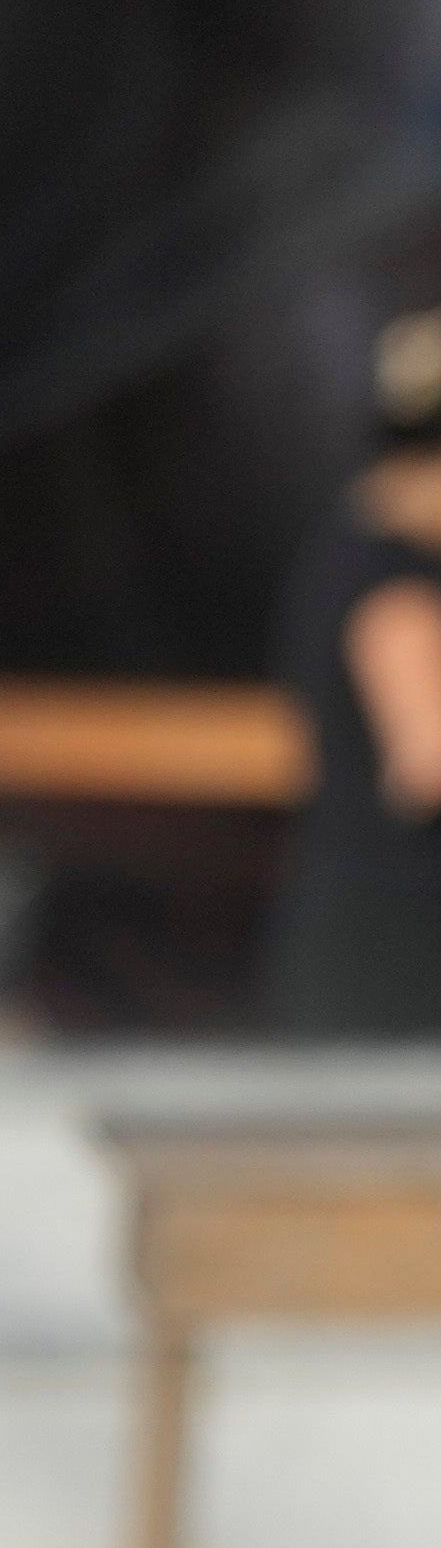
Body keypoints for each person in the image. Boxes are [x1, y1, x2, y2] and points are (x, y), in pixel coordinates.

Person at [264, 312, 441, 1032]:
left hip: (360, 936)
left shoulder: (343, 554)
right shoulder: (392, 588)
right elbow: (426, 758)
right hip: (395, 950)